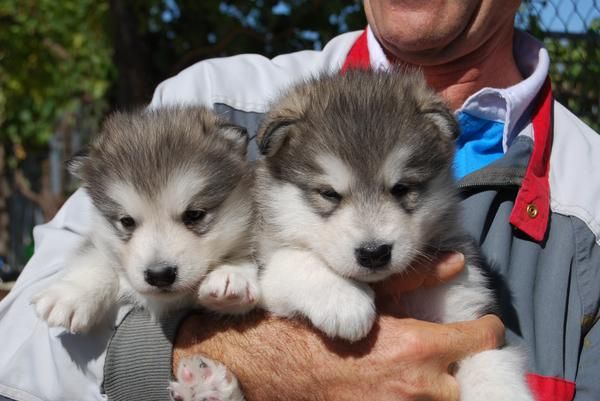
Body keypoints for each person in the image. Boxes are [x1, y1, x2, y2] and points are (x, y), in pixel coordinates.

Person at [1, 1, 599, 400]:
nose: (370, 234)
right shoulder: (208, 110)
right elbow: (18, 356)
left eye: (402, 190)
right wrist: (206, 356)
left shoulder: (589, 195)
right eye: (328, 196)